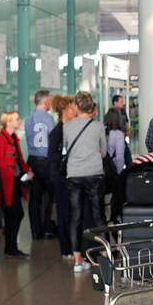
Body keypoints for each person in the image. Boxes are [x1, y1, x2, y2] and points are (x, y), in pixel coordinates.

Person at [63, 91, 107, 272]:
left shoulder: (67, 126)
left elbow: (67, 148)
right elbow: (103, 151)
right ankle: (105, 257)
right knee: (98, 216)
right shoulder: (98, 126)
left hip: (73, 174)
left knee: (75, 216)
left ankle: (78, 262)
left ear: (76, 106)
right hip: (94, 174)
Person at [0, 110, 31, 259]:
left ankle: (11, 247)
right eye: (17, 119)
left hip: (15, 181)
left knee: (14, 214)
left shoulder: (13, 138)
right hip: (6, 183)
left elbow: (19, 159)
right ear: (8, 122)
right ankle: (11, 247)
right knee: (16, 213)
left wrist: (28, 171)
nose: (19, 122)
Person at [24, 90, 56, 240]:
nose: (50, 103)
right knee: (49, 196)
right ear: (44, 102)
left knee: (35, 197)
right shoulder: (48, 118)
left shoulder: (28, 120)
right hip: (46, 161)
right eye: (49, 101)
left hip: (33, 160)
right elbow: (53, 138)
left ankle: (35, 230)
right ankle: (47, 228)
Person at [47, 95, 76, 259]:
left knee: (72, 212)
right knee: (64, 212)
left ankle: (73, 246)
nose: (75, 111)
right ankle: (66, 248)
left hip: (71, 175)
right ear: (64, 111)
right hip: (60, 177)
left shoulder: (71, 129)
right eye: (72, 108)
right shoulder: (57, 132)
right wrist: (66, 155)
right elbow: (52, 156)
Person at [104, 106, 131, 221]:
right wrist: (120, 174)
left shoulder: (103, 131)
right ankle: (113, 218)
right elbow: (120, 157)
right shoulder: (118, 134)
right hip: (114, 171)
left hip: (103, 170)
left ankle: (105, 217)